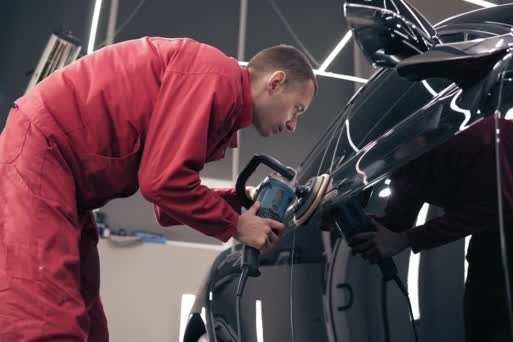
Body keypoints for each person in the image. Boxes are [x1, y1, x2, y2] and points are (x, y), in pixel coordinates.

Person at [0, 37, 317, 341]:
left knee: (88, 320)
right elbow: (160, 183)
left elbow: (165, 207)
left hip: (71, 184)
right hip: (44, 152)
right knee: (43, 316)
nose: (292, 125)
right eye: (297, 110)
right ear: (275, 83)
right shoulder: (214, 78)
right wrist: (237, 226)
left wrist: (236, 200)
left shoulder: (218, 110)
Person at [349, 116, 513, 341]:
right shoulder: (406, 165)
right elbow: (395, 223)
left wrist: (406, 239)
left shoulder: (473, 138)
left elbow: (500, 203)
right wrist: (352, 223)